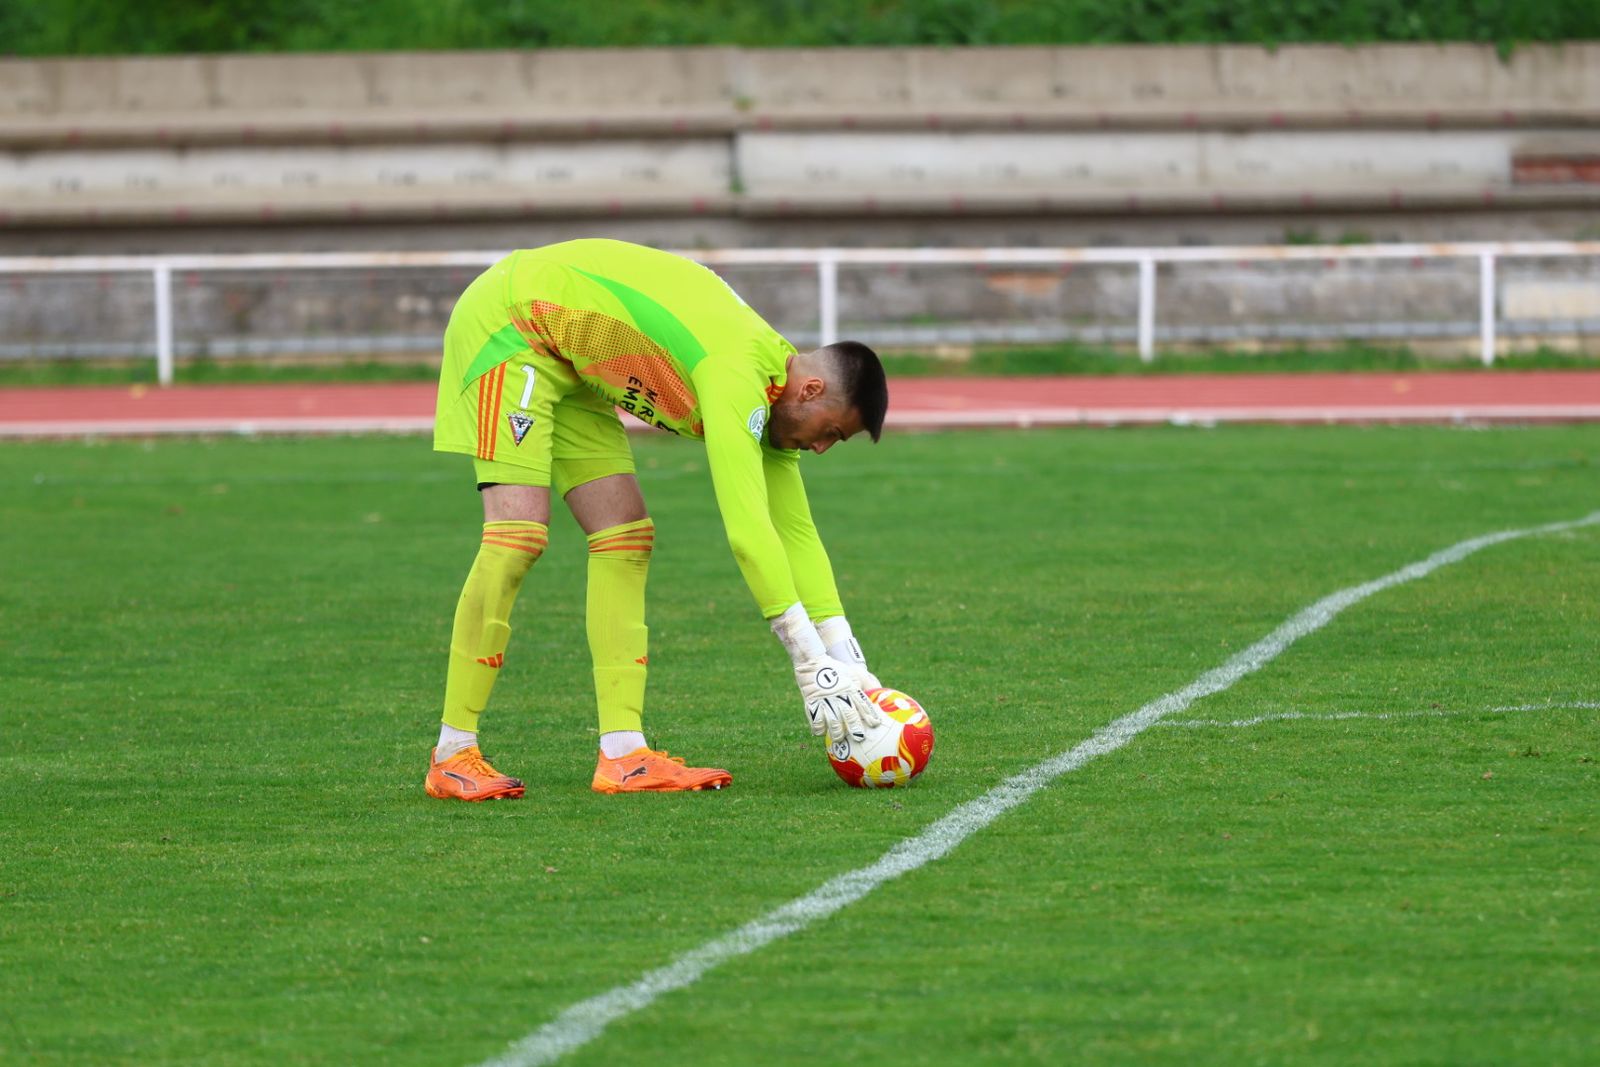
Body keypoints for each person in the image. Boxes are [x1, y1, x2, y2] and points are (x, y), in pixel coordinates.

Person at [424, 238, 890, 800]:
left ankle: (623, 755)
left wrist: (853, 666)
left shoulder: (775, 391)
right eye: (832, 433)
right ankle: (453, 753)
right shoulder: (736, 373)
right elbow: (747, 532)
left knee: (625, 536)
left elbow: (794, 531)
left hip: (571, 357)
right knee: (518, 536)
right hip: (514, 322)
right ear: (812, 390)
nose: (821, 450)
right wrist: (807, 661)